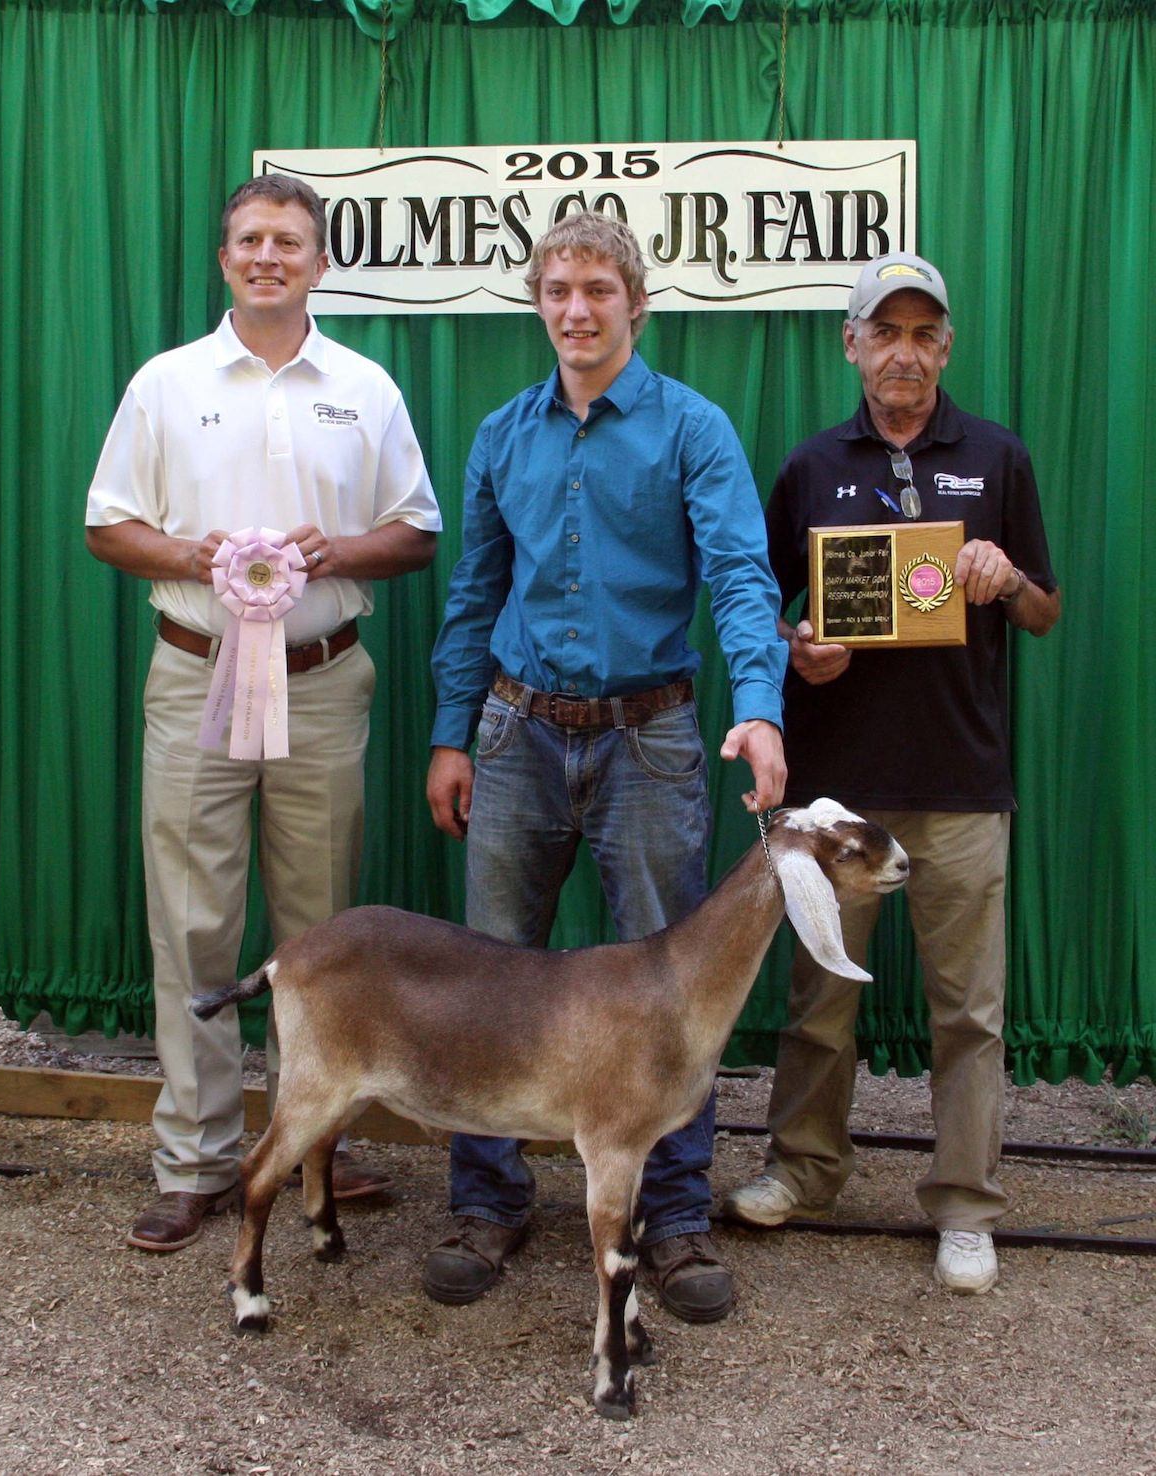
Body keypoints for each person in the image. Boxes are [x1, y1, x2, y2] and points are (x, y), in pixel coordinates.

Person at [424, 212, 787, 1323]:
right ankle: (487, 1203)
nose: (576, 310)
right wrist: (451, 732)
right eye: (557, 290)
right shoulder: (503, 434)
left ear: (638, 303)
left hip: (651, 738)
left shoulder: (693, 428)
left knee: (674, 988)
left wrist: (760, 710)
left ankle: (671, 1220)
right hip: (516, 732)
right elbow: (475, 591)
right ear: (539, 303)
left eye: (597, 290)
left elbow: (739, 574)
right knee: (490, 978)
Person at [86, 174, 442, 1253]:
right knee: (193, 920)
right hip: (196, 673)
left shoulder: (365, 388)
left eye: (288, 240)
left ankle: (313, 1146)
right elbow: (108, 523)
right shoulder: (165, 383)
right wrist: (191, 555)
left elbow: (416, 530)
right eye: (250, 239)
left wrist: (340, 550)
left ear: (321, 263)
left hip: (322, 679)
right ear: (226, 258)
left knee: (321, 932)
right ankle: (194, 1160)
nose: (268, 256)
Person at [723, 252, 1061, 1294]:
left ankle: (965, 1206)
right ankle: (803, 1169)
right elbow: (764, 609)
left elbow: (1047, 609)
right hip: (837, 794)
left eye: (922, 334)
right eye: (885, 332)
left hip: (962, 783)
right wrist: (797, 648)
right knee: (821, 999)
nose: (903, 353)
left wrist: (1008, 580)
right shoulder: (810, 467)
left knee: (969, 1013)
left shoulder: (997, 457)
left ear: (946, 347)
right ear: (852, 344)